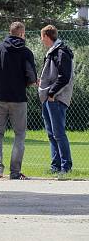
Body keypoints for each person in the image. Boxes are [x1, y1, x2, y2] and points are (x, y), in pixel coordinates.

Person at [0, 22, 37, 180]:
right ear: (21, 34)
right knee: (19, 134)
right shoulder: (26, 52)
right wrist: (24, 83)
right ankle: (15, 172)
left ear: (10, 32)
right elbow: (32, 76)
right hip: (19, 98)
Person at [38, 25, 75, 176]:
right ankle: (55, 166)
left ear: (46, 36)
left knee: (59, 133)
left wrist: (52, 93)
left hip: (56, 98)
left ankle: (66, 167)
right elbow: (53, 75)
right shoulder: (52, 52)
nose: (41, 40)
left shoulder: (60, 51)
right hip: (49, 97)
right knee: (51, 134)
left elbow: (64, 77)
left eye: (42, 37)